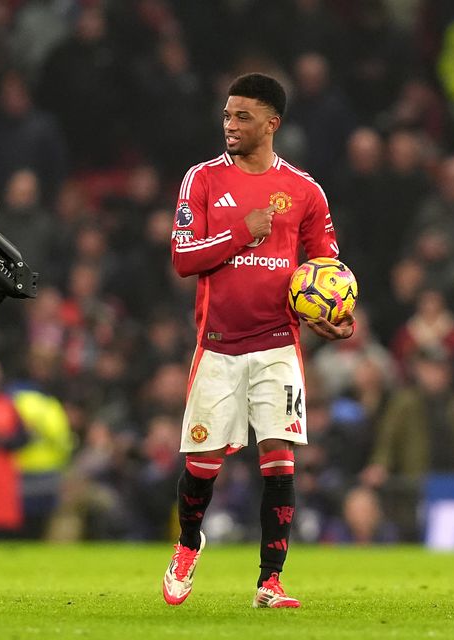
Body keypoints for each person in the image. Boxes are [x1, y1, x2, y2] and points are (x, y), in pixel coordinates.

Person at [161, 74, 354, 609]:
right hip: (218, 345)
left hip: (277, 344)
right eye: (227, 115)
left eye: (243, 117)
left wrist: (338, 317)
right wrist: (243, 231)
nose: (230, 125)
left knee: (279, 457)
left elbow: (326, 267)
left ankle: (270, 582)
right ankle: (186, 546)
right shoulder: (200, 180)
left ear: (273, 124)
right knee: (202, 463)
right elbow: (183, 259)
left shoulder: (304, 191)